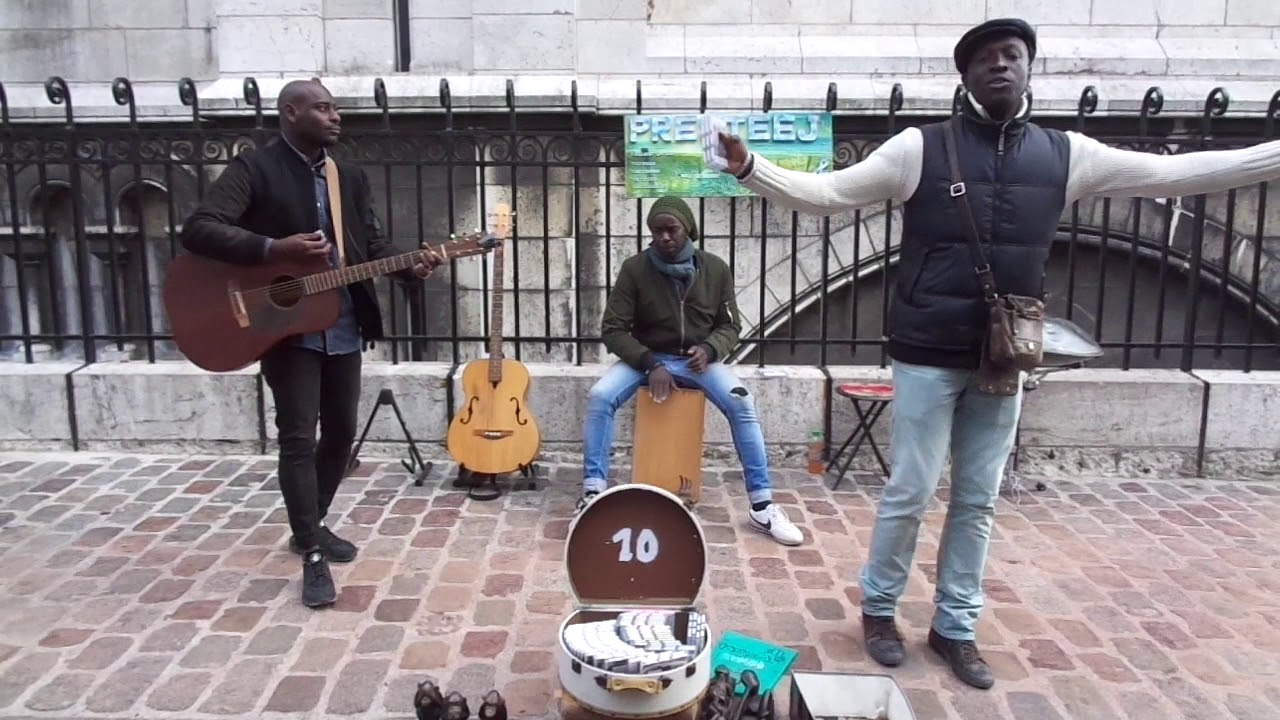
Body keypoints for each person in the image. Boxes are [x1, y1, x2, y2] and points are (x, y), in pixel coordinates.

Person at [705, 18, 1280, 688]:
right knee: (910, 489)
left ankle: (956, 626)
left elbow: (1178, 171)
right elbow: (830, 194)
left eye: (1012, 55)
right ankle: (881, 610)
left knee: (978, 497)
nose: (1000, 66)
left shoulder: (1068, 155)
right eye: (985, 58)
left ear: (1030, 68)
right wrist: (750, 166)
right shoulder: (920, 149)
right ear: (966, 76)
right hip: (925, 349)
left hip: (1003, 356)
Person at [181, 79, 444, 608]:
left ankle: (310, 523)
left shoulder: (348, 175)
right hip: (285, 327)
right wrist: (271, 247)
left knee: (342, 431)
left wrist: (410, 266)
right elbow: (199, 228)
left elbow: (370, 244)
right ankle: (312, 555)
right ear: (291, 112)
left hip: (342, 318)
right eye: (323, 108)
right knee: (298, 436)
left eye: (336, 108)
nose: (335, 116)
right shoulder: (254, 168)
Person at [580, 196, 804, 547]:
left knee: (742, 404)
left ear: (688, 230)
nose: (665, 237)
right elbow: (613, 329)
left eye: (672, 229)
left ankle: (762, 506)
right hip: (647, 358)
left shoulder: (715, 269)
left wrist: (711, 348)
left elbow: (731, 326)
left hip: (697, 361)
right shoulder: (635, 269)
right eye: (658, 231)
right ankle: (593, 494)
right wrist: (650, 362)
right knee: (600, 397)